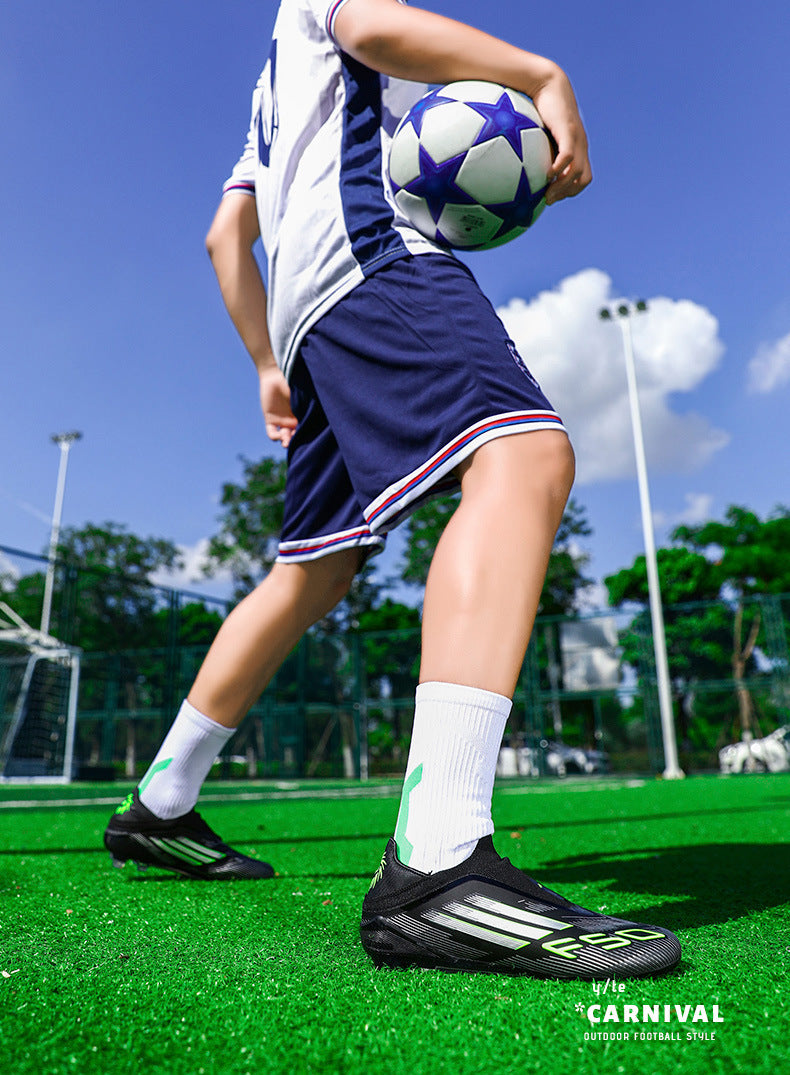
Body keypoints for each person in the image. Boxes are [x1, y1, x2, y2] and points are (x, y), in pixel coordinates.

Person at [105, 0, 681, 979]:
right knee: (525, 454)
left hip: (301, 317)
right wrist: (541, 75)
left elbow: (223, 237)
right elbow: (372, 25)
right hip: (370, 255)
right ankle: (438, 864)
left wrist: (263, 365)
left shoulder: (269, 91)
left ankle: (160, 802)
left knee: (311, 573)